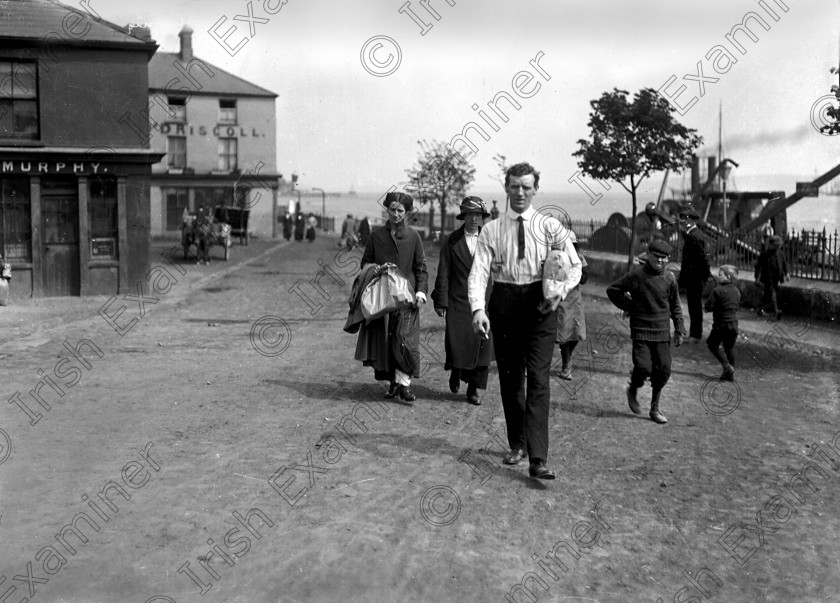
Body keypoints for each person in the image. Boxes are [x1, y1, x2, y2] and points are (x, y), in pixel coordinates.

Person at [469, 162, 581, 480]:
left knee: (540, 379)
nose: (520, 192)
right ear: (506, 188)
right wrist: (478, 309)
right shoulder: (491, 230)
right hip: (504, 303)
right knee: (510, 379)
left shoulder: (550, 227)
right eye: (514, 186)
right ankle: (517, 443)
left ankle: (538, 458)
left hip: (540, 306)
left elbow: (574, 265)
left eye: (526, 186)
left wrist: (559, 290)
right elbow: (478, 272)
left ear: (535, 190)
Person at [356, 192, 428, 402]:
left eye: (400, 211)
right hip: (384, 299)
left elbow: (421, 268)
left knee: (405, 340)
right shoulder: (377, 237)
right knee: (387, 342)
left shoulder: (414, 237)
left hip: (408, 300)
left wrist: (421, 292)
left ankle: (405, 385)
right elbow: (365, 264)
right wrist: (376, 269)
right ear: (386, 209)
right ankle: (393, 383)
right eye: (392, 210)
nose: (396, 214)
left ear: (407, 213)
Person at [607, 239, 686, 424]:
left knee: (664, 369)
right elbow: (613, 290)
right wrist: (630, 305)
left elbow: (675, 306)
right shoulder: (636, 276)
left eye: (664, 258)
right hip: (641, 330)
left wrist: (680, 329)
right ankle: (633, 388)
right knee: (643, 367)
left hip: (662, 331)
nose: (660, 261)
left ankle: (655, 408)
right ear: (648, 255)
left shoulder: (669, 278)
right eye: (657, 257)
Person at [432, 196, 493, 405]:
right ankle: (456, 370)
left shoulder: (490, 238)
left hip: (484, 300)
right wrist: (441, 301)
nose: (474, 219)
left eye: (478, 215)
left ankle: (473, 389)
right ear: (463, 216)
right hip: (458, 299)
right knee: (457, 342)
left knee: (482, 344)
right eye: (470, 214)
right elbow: (444, 271)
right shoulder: (452, 241)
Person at [555, 231, 589, 380]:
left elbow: (584, 279)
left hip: (575, 299)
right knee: (563, 333)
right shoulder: (555, 258)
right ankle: (566, 365)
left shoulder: (579, 258)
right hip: (561, 298)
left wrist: (577, 268)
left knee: (576, 333)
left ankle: (567, 361)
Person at [678, 207, 711, 343]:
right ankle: (695, 334)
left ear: (691, 220)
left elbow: (701, 258)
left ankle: (695, 335)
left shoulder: (694, 236)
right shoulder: (695, 234)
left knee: (694, 306)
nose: (682, 222)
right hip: (695, 277)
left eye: (684, 219)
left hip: (695, 278)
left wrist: (704, 275)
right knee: (694, 306)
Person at [704, 265, 740, 381]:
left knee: (712, 344)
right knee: (729, 348)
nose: (718, 277)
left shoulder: (717, 291)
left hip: (721, 324)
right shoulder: (736, 291)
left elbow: (708, 306)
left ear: (728, 276)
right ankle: (731, 373)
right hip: (733, 324)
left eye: (720, 275)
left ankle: (726, 366)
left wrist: (708, 309)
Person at [755, 234, 787, 320]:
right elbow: (758, 266)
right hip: (767, 278)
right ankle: (777, 311)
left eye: (779, 245)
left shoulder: (780, 253)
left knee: (767, 294)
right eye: (776, 245)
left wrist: (787, 273)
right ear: (771, 245)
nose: (778, 247)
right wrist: (757, 278)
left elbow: (783, 263)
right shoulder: (764, 254)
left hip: (776, 278)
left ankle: (759, 308)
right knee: (772, 293)